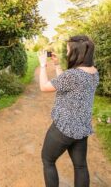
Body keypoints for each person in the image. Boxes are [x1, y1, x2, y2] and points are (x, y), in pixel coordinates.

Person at [38, 35, 99, 187]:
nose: (67, 53)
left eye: (68, 50)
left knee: (48, 160)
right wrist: (58, 65)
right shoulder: (93, 72)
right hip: (82, 128)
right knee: (80, 166)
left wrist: (43, 65)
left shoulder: (73, 75)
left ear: (76, 52)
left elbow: (44, 87)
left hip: (64, 128)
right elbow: (65, 85)